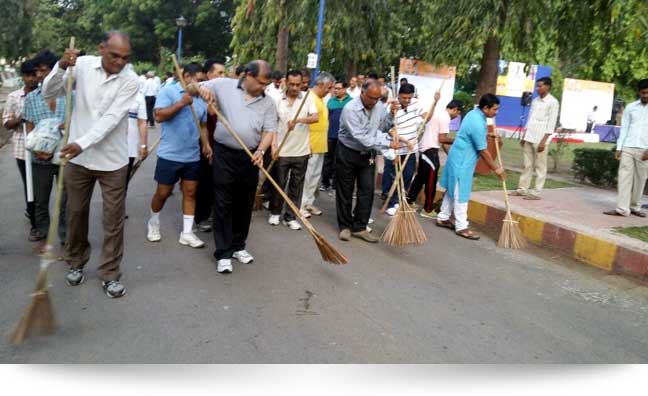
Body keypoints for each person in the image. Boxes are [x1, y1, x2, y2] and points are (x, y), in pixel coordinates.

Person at [43, 31, 140, 298]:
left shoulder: (131, 80)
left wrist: (81, 142)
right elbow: (47, 92)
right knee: (75, 213)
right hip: (79, 160)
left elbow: (111, 119)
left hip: (113, 160)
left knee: (113, 221)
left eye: (125, 58)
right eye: (114, 56)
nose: (120, 62)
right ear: (101, 49)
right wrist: (61, 66)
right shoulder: (82, 66)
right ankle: (75, 261)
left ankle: (110, 273)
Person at [195, 60, 277, 274]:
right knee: (223, 202)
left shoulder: (268, 103)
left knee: (245, 202)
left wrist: (261, 151)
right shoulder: (223, 85)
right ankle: (223, 252)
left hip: (250, 156)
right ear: (248, 75)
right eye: (261, 83)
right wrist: (201, 89)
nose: (263, 88)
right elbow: (191, 88)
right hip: (224, 153)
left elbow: (269, 130)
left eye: (266, 85)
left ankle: (239, 245)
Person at [335, 80, 411, 243]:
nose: (374, 102)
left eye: (377, 99)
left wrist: (390, 114)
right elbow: (361, 137)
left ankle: (360, 227)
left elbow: (382, 127)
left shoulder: (378, 107)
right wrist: (388, 144)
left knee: (367, 190)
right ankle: (345, 226)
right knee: (346, 190)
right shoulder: (350, 109)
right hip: (348, 151)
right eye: (371, 98)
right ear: (362, 93)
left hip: (368, 154)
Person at [146, 63, 211, 248]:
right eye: (199, 80)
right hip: (170, 154)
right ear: (188, 77)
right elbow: (158, 116)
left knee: (190, 192)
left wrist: (206, 145)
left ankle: (187, 233)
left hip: (192, 155)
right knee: (163, 192)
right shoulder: (170, 91)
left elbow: (203, 125)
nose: (201, 84)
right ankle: (153, 222)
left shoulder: (201, 98)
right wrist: (181, 103)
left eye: (203, 81)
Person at [437, 94, 505, 240]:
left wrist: (489, 135)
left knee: (452, 189)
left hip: (458, 156)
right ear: (486, 108)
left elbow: (475, 135)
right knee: (461, 193)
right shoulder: (478, 123)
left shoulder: (473, 114)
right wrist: (496, 168)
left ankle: (443, 217)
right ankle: (462, 226)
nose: (496, 112)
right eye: (494, 109)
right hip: (462, 161)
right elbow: (483, 150)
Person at [23, 50, 69, 248]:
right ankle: (44, 236)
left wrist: (66, 127)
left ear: (54, 71)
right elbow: (30, 130)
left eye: (44, 70)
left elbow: (76, 124)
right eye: (37, 71)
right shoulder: (32, 98)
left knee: (65, 202)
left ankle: (66, 238)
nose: (39, 75)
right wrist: (37, 151)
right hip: (40, 160)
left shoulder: (70, 96)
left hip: (65, 158)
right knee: (41, 201)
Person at [269, 70, 319, 230]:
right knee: (279, 183)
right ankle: (275, 212)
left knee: (296, 185)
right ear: (286, 82)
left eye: (298, 84)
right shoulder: (277, 99)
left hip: (301, 151)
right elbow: (272, 125)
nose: (295, 87)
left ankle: (290, 216)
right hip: (282, 150)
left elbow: (315, 117)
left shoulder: (307, 98)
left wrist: (298, 120)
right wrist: (273, 146)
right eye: (292, 84)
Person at [2, 59, 39, 240]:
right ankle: (35, 223)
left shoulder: (44, 94)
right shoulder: (14, 97)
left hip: (42, 150)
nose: (32, 79)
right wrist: (20, 119)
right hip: (22, 149)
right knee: (29, 186)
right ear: (23, 77)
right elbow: (7, 123)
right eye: (28, 75)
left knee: (41, 188)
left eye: (35, 75)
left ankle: (40, 216)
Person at [408, 99, 463, 218]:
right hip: (430, 151)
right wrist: (457, 140)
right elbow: (442, 139)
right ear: (455, 110)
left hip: (424, 150)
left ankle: (409, 201)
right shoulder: (446, 117)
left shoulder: (438, 113)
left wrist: (450, 155)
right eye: (458, 114)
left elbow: (441, 141)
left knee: (420, 178)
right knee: (431, 181)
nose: (456, 116)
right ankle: (427, 209)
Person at [604, 79, 648, 217]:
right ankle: (622, 209)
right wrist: (619, 147)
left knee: (641, 179)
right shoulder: (631, 107)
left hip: (645, 149)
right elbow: (625, 128)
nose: (646, 95)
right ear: (639, 92)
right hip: (628, 147)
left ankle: (635, 206)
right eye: (643, 93)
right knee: (624, 178)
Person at [511, 77, 559, 200]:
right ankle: (522, 189)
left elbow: (551, 124)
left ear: (548, 87)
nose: (538, 88)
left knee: (540, 167)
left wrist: (544, 141)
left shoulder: (553, 102)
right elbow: (530, 118)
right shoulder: (535, 101)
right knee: (527, 165)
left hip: (541, 139)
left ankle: (536, 192)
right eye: (537, 86)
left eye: (541, 86)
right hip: (529, 136)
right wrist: (524, 135)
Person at [382, 83, 422, 216]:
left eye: (409, 98)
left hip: (410, 149)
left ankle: (397, 201)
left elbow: (426, 117)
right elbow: (389, 130)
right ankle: (391, 201)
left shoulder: (415, 105)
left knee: (408, 175)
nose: (406, 100)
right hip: (396, 148)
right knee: (394, 176)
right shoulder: (391, 107)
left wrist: (436, 101)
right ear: (398, 95)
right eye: (404, 97)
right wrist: (405, 141)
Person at [300, 72, 333, 218]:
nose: (329, 91)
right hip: (310, 144)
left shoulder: (320, 99)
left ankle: (308, 203)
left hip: (321, 144)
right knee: (306, 177)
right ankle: (300, 205)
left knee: (314, 177)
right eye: (328, 87)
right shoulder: (308, 97)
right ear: (320, 85)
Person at [321, 80, 352, 191]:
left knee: (339, 161)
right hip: (330, 135)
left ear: (344, 89)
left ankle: (335, 185)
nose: (336, 90)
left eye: (339, 88)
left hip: (343, 137)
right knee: (328, 160)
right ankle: (325, 183)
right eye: (335, 88)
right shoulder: (330, 101)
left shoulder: (350, 102)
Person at [125, 91, 148, 192]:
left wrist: (143, 145)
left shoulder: (138, 95)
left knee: (123, 180)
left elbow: (142, 122)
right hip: (108, 146)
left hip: (130, 145)